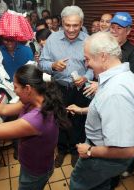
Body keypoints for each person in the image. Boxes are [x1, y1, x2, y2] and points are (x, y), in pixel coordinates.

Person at [67, 31, 134, 190]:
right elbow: (105, 110)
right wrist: (82, 110)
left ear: (103, 56)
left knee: (79, 184)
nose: (86, 64)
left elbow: (127, 150)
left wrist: (89, 150)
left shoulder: (116, 93)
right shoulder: (124, 76)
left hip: (101, 156)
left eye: (87, 59)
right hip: (103, 153)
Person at [39, 5, 93, 167]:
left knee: (79, 121)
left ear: (81, 23)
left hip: (80, 88)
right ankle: (62, 150)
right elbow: (41, 63)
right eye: (67, 25)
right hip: (59, 87)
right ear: (61, 22)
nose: (71, 29)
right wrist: (53, 66)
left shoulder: (88, 40)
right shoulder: (52, 40)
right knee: (60, 119)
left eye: (75, 25)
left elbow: (94, 66)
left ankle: (76, 150)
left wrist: (86, 77)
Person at [110, 12, 134, 80]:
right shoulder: (106, 47)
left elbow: (132, 80)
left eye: (119, 28)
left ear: (128, 31)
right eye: (112, 27)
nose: (114, 31)